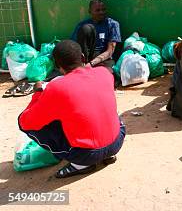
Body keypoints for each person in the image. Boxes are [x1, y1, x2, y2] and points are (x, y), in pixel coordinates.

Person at [18, 40, 125, 178]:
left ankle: (82, 164)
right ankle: (106, 154)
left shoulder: (56, 88)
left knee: (27, 120)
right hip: (117, 142)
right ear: (83, 57)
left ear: (57, 66)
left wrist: (38, 93)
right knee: (102, 109)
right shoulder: (104, 73)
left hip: (87, 154)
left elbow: (26, 122)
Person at [71, 0, 121, 70]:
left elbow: (110, 51)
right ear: (90, 12)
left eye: (103, 9)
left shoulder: (112, 24)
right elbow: (74, 46)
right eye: (97, 10)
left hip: (105, 59)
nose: (101, 12)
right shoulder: (82, 25)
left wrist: (91, 64)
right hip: (86, 57)